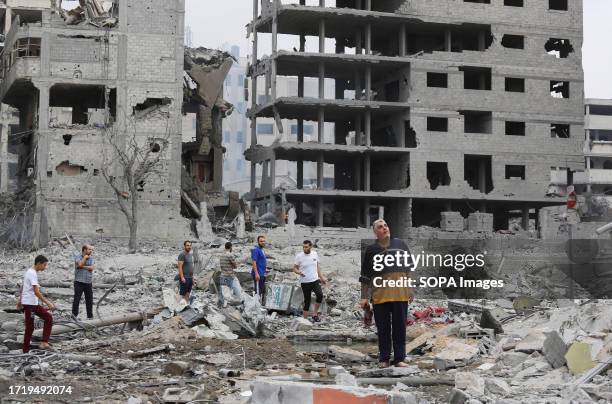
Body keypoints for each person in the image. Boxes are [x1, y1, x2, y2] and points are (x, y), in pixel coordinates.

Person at [360, 219, 413, 368]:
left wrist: (410, 288)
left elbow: (409, 268)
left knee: (400, 328)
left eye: (386, 226)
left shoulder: (401, 245)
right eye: (380, 227)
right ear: (375, 232)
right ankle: (384, 358)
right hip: (380, 295)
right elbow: (365, 276)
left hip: (400, 294)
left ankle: (399, 359)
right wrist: (364, 297)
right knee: (383, 328)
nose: (384, 228)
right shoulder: (371, 250)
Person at [17, 255, 55, 353]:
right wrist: (48, 303)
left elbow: (23, 288)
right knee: (34, 324)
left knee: (45, 319)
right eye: (44, 265)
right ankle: (27, 349)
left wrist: (20, 301)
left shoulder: (30, 272)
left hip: (31, 303)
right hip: (30, 304)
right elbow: (36, 292)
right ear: (39, 263)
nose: (45, 267)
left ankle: (40, 343)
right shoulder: (32, 273)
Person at [293, 240, 327, 322]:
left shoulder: (315, 254)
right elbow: (294, 268)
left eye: (306, 247)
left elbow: (317, 266)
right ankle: (305, 321)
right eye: (303, 247)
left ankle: (314, 314)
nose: (304, 248)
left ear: (310, 247)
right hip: (305, 282)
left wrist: (321, 277)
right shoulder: (299, 256)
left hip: (315, 280)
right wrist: (299, 272)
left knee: (320, 295)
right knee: (307, 301)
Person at [217, 242, 243, 308]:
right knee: (234, 290)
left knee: (223, 292)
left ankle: (222, 306)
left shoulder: (221, 255)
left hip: (222, 275)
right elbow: (235, 266)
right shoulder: (230, 255)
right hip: (229, 276)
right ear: (231, 247)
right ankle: (239, 302)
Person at [73, 244, 95, 319]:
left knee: (89, 300)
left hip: (88, 282)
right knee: (77, 299)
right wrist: (85, 258)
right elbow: (79, 264)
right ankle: (74, 316)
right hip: (79, 282)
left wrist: (82, 267)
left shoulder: (91, 258)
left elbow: (91, 268)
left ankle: (90, 316)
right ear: (84, 250)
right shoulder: (77, 256)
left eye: (91, 250)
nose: (91, 251)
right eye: (89, 249)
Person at [251, 235, 267, 304]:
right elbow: (254, 262)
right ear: (258, 242)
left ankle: (260, 304)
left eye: (264, 241)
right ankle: (256, 304)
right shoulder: (256, 250)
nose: (263, 242)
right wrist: (256, 273)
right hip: (258, 274)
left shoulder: (262, 250)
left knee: (262, 289)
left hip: (262, 273)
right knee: (258, 290)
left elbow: (261, 262)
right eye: (261, 241)